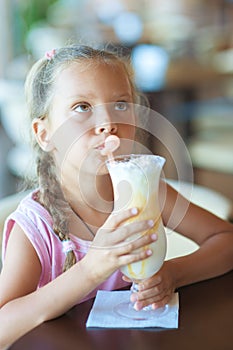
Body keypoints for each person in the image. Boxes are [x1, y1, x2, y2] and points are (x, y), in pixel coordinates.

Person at [0, 44, 233, 349]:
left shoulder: (148, 189)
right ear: (45, 134)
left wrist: (173, 274)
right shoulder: (36, 227)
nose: (108, 122)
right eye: (82, 107)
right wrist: (92, 268)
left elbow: (225, 239)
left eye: (121, 104)